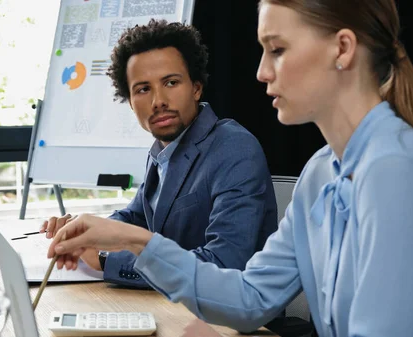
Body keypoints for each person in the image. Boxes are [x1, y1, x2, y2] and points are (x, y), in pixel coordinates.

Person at [47, 0, 413, 336]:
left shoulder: (398, 171)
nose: (262, 71)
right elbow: (250, 298)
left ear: (342, 49)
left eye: (276, 49)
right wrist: (134, 240)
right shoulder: (321, 172)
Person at [41, 19, 278, 289]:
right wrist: (84, 233)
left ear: (196, 87)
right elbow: (135, 217)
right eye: (143, 89)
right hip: (177, 307)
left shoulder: (234, 149)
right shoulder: (163, 150)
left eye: (171, 82)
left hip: (234, 324)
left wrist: (106, 258)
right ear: (130, 102)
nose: (158, 101)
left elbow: (224, 264)